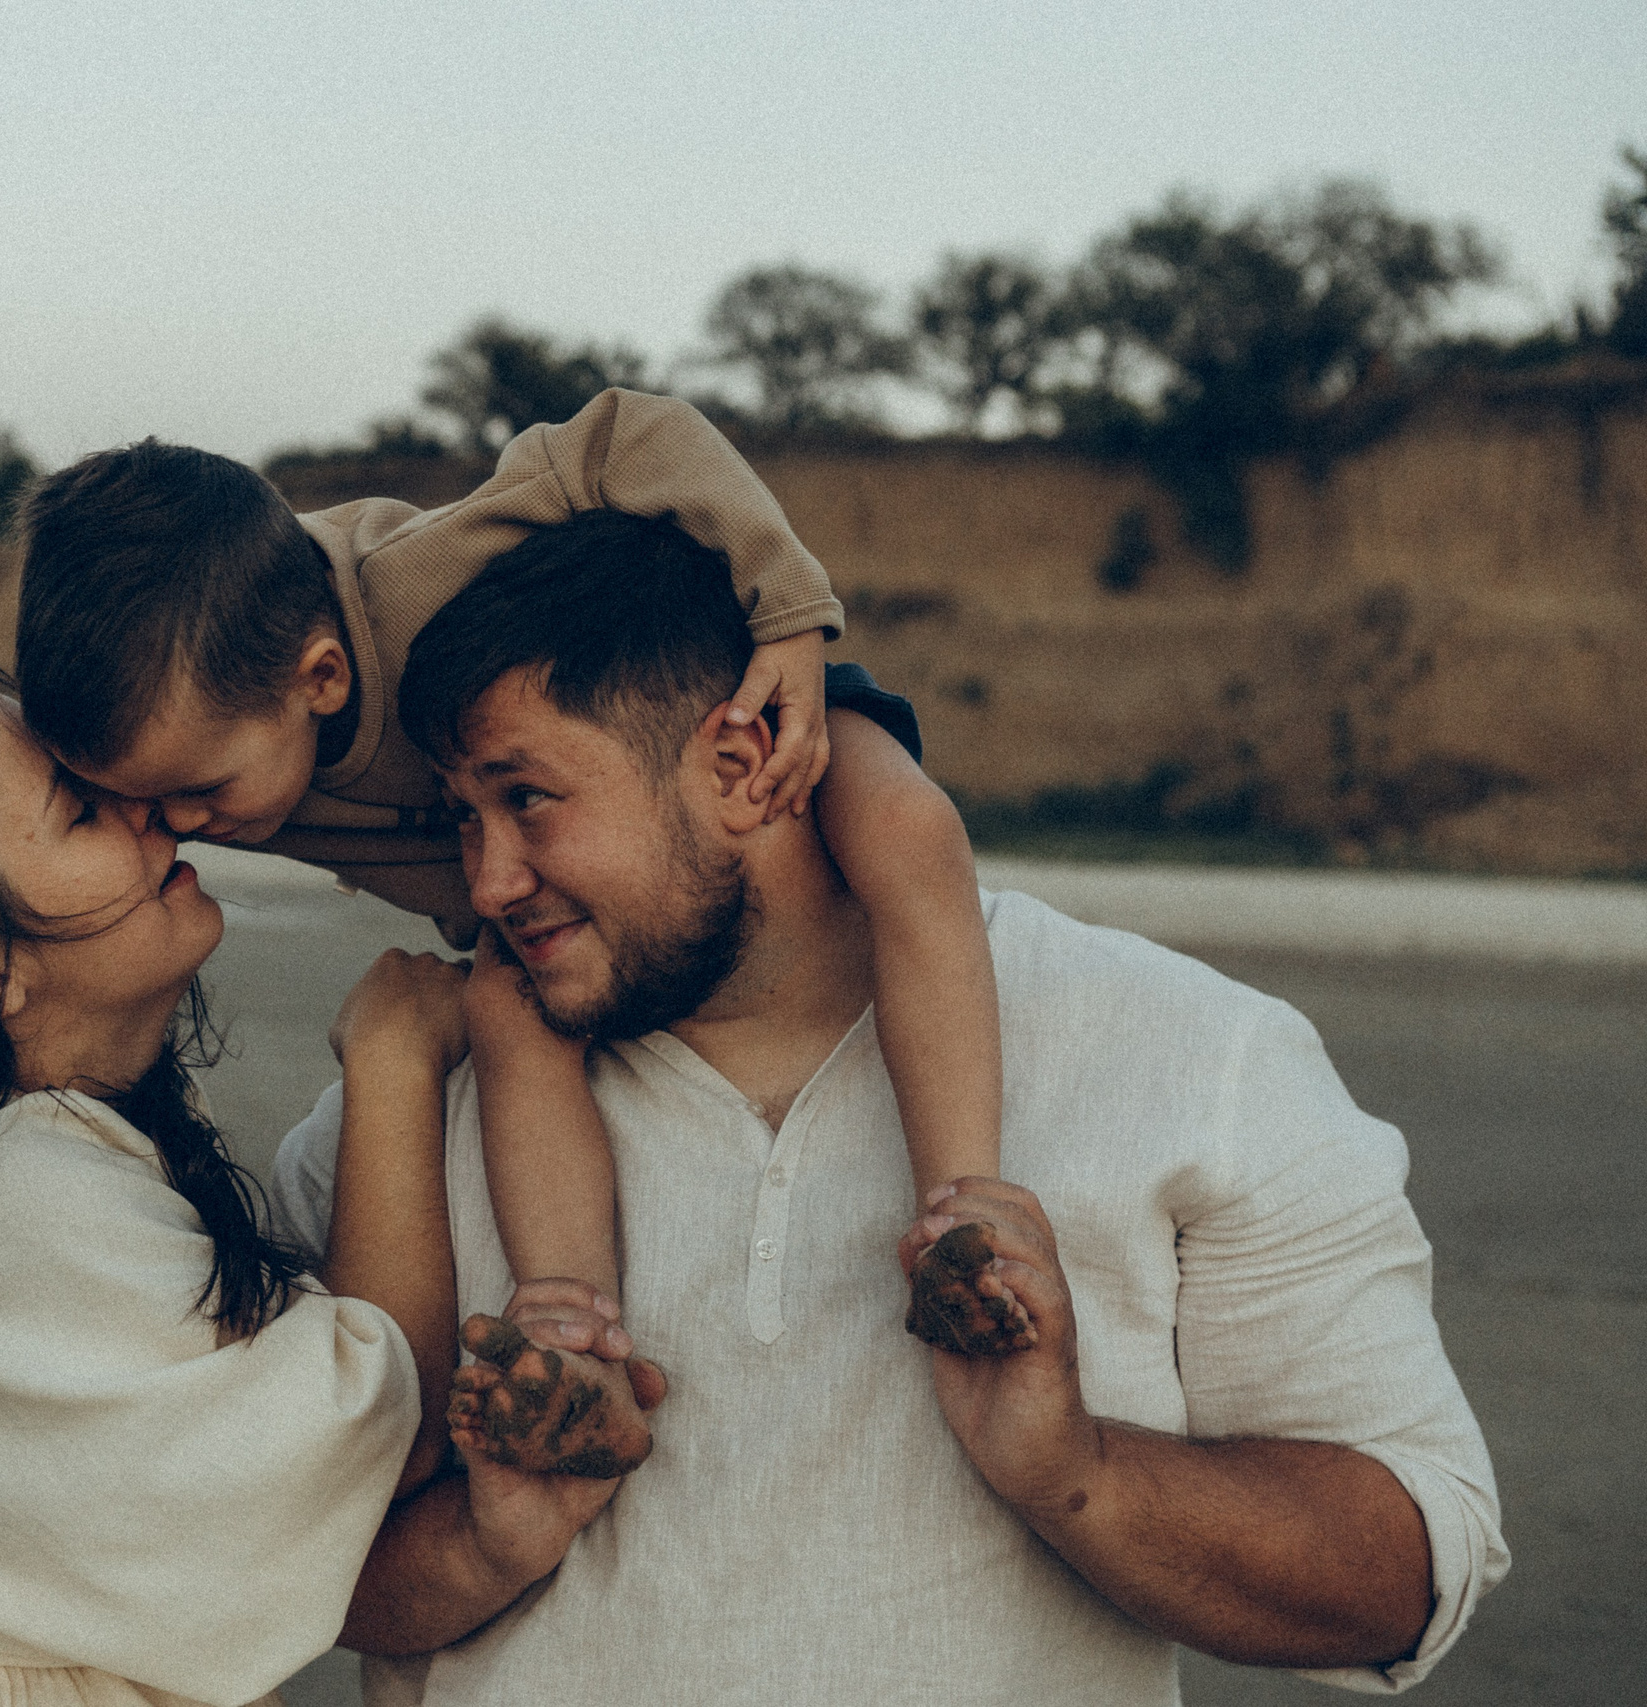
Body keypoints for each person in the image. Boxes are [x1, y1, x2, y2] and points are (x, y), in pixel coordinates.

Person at [269, 510, 1508, 1703]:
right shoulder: (392, 1130)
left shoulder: (1194, 1056)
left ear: (744, 763)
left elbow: (1408, 1570)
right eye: (459, 820)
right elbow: (284, 1571)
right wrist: (486, 1545)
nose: (485, 881)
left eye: (527, 799)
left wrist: (1076, 1476)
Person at [0, 390, 1029, 1392]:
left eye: (191, 797)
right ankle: (570, 1315)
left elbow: (630, 435)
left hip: (700, 701)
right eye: (136, 802)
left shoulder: (416, 581)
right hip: (530, 894)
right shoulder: (183, 735)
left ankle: (964, 1204)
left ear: (323, 679)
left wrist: (790, 615)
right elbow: (25, 774)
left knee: (910, 832)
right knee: (509, 1013)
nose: (166, 829)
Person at [0, 664, 589, 1707]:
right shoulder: (2, 1204)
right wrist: (392, 1063)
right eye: (82, 809)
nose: (151, 810)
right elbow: (376, 1435)